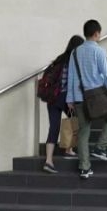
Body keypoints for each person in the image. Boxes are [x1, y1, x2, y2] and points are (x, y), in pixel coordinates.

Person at [66, 20, 107, 179]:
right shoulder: (99, 51)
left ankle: (84, 168)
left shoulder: (75, 52)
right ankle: (100, 147)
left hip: (79, 97)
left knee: (83, 131)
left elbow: (71, 76)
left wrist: (70, 99)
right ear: (97, 33)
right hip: (97, 96)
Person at [43, 35, 85, 174]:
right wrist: (71, 99)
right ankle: (68, 149)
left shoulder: (59, 59)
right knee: (75, 121)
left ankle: (49, 161)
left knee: (54, 128)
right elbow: (70, 82)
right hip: (65, 97)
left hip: (52, 99)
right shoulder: (73, 61)